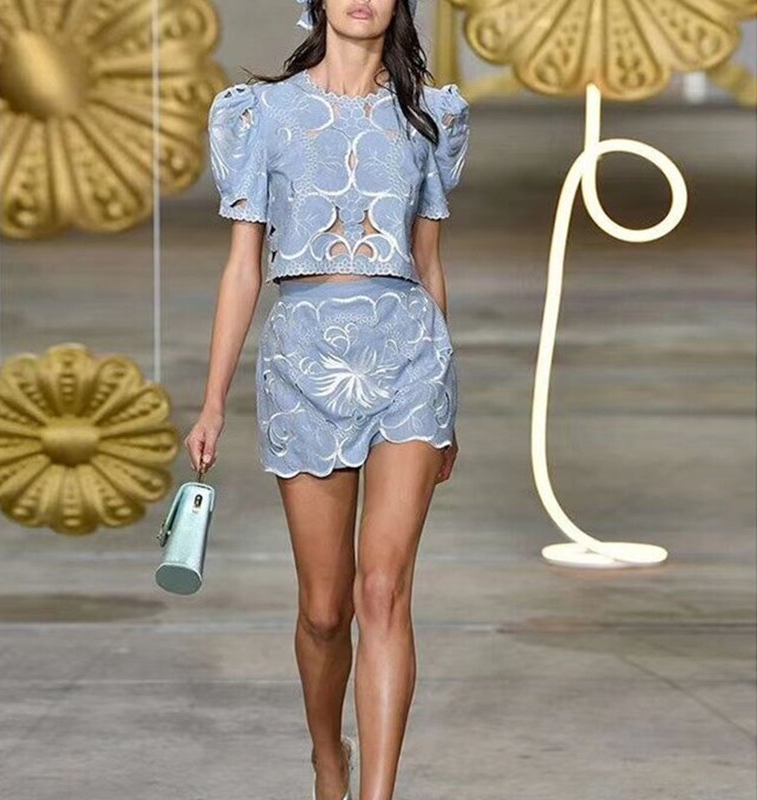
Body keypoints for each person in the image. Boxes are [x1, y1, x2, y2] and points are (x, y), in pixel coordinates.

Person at [184, 1, 470, 797]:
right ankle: (327, 754)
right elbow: (243, 267)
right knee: (323, 610)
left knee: (384, 591)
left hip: (410, 360)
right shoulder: (261, 113)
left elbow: (429, 262)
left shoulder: (427, 115)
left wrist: (448, 406)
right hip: (301, 361)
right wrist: (212, 402)